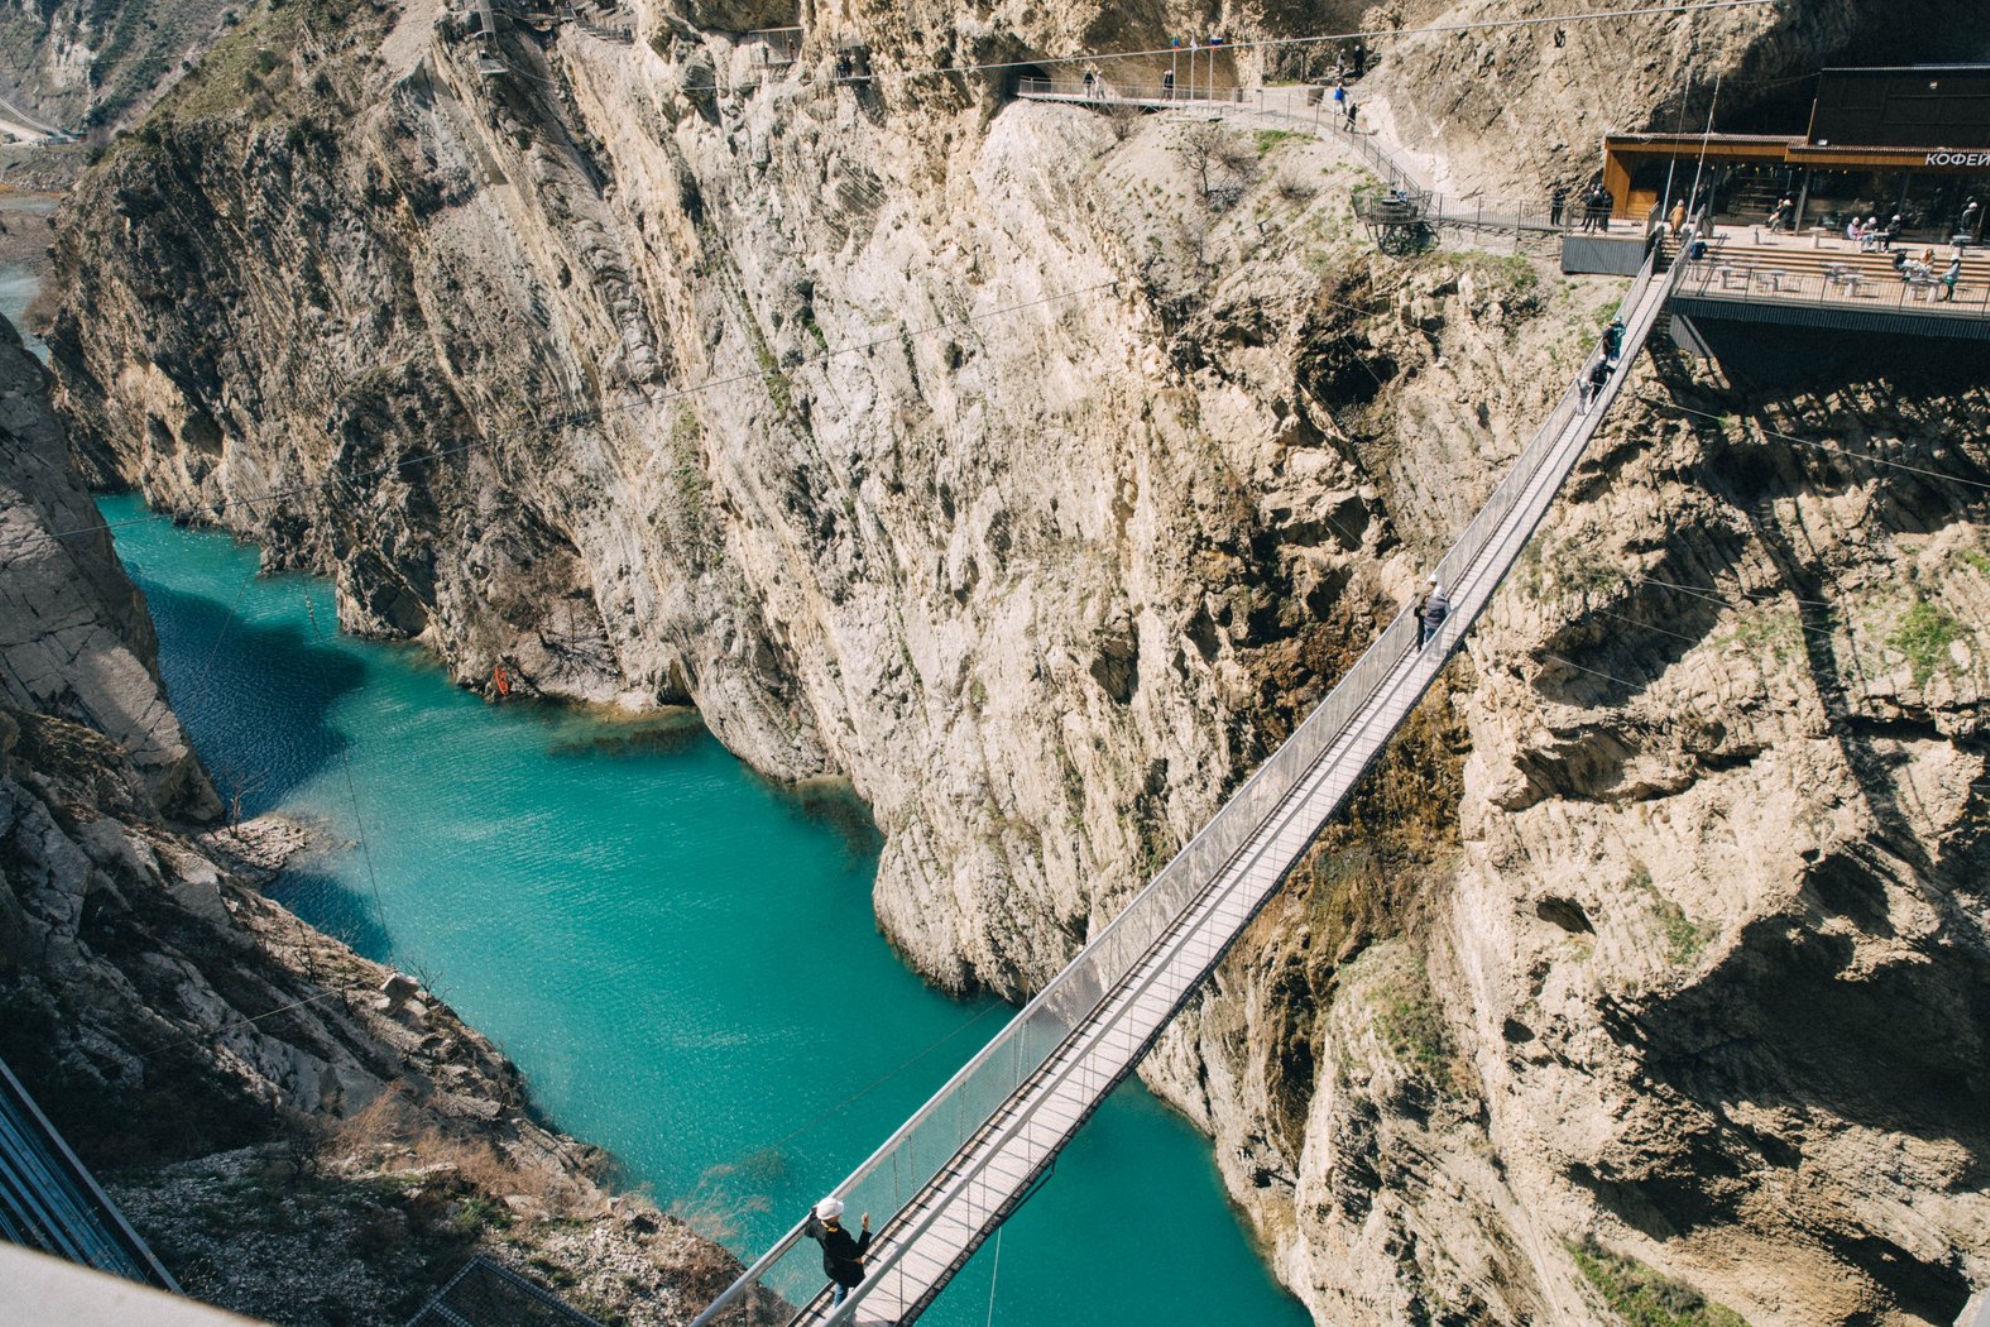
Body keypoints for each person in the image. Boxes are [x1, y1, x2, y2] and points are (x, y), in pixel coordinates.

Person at [804, 1198, 872, 1307]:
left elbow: (809, 1230)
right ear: (834, 1217)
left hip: (832, 1267)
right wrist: (865, 1229)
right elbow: (858, 1251)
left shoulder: (816, 1225)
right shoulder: (839, 1237)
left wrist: (816, 1210)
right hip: (848, 1269)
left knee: (841, 1285)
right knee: (860, 1287)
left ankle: (838, 1313)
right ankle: (845, 1313)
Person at [1416, 577, 1449, 649]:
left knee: (1423, 633)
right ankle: (1436, 651)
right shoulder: (1441, 600)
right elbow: (1448, 612)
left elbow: (1420, 602)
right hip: (1436, 623)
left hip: (1426, 617)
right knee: (1438, 637)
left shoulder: (1425, 591)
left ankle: (1421, 647)